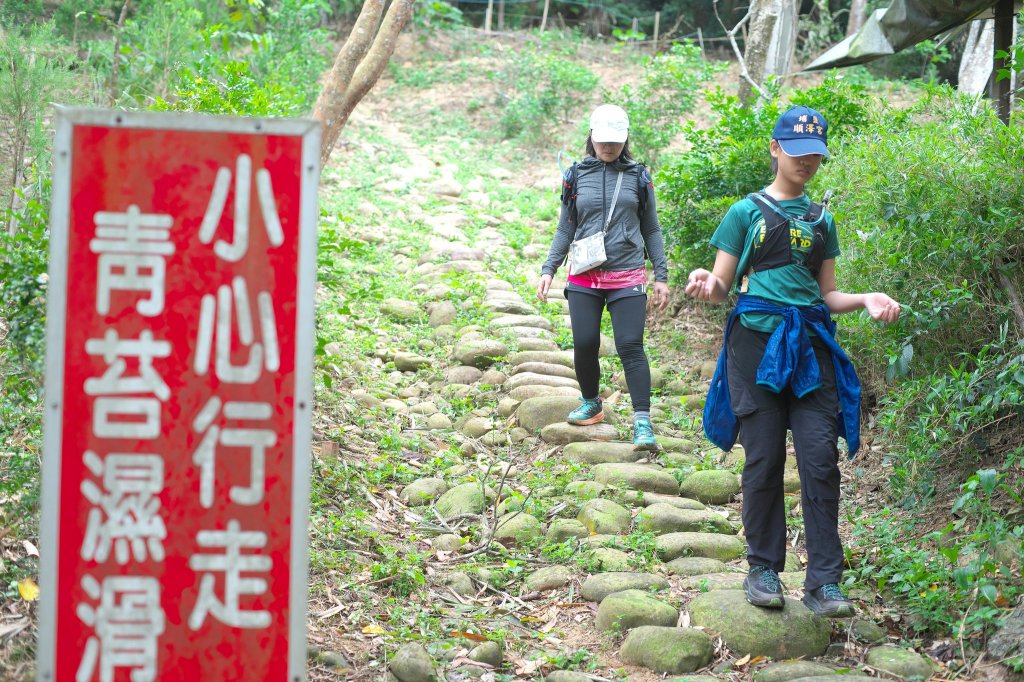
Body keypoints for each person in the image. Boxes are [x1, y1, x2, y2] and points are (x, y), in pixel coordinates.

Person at [684, 106, 901, 617]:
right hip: (754, 347)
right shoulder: (745, 212)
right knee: (763, 459)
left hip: (810, 347)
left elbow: (826, 294)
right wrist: (704, 284)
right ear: (776, 149)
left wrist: (866, 297)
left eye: (816, 156)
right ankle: (763, 567)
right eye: (798, 152)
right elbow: (720, 286)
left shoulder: (822, 219)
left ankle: (825, 581)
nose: (807, 162)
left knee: (820, 461)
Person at [536, 104, 670, 451]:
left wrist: (662, 275)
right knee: (584, 342)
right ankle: (591, 402)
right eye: (603, 140)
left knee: (629, 345)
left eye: (615, 141)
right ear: (591, 137)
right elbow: (566, 225)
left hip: (627, 273)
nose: (608, 147)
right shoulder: (575, 175)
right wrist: (549, 268)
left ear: (625, 140)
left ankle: (642, 421)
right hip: (584, 273)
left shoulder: (640, 176)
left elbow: (651, 228)